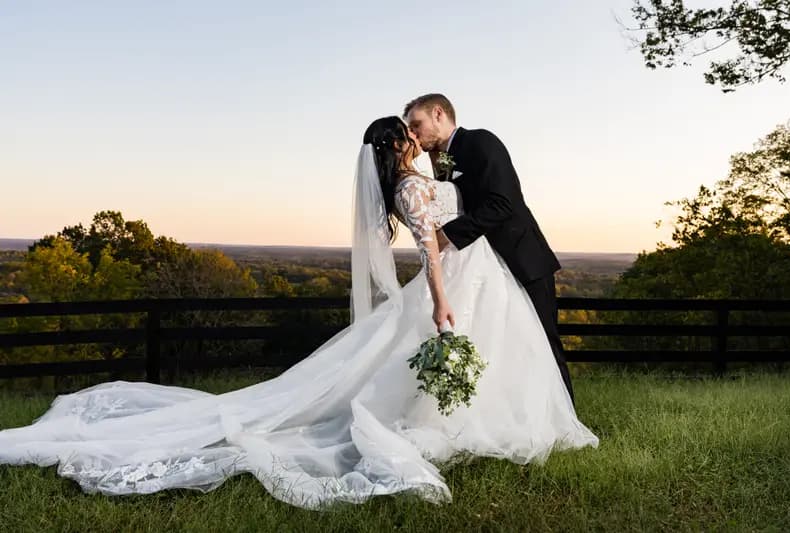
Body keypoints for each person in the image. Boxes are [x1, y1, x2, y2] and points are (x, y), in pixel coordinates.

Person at [0, 116, 597, 510]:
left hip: (482, 274)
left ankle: (506, 413)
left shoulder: (424, 174)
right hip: (455, 281)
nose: (417, 137)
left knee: (501, 349)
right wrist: (439, 299)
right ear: (398, 145)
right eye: (409, 133)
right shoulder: (414, 187)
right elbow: (428, 249)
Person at [404, 93, 575, 404]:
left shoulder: (481, 142)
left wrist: (444, 237)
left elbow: (502, 204)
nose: (413, 134)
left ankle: (567, 418)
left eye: (417, 125)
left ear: (439, 113)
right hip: (482, 269)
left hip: (523, 261)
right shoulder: (441, 161)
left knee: (544, 344)